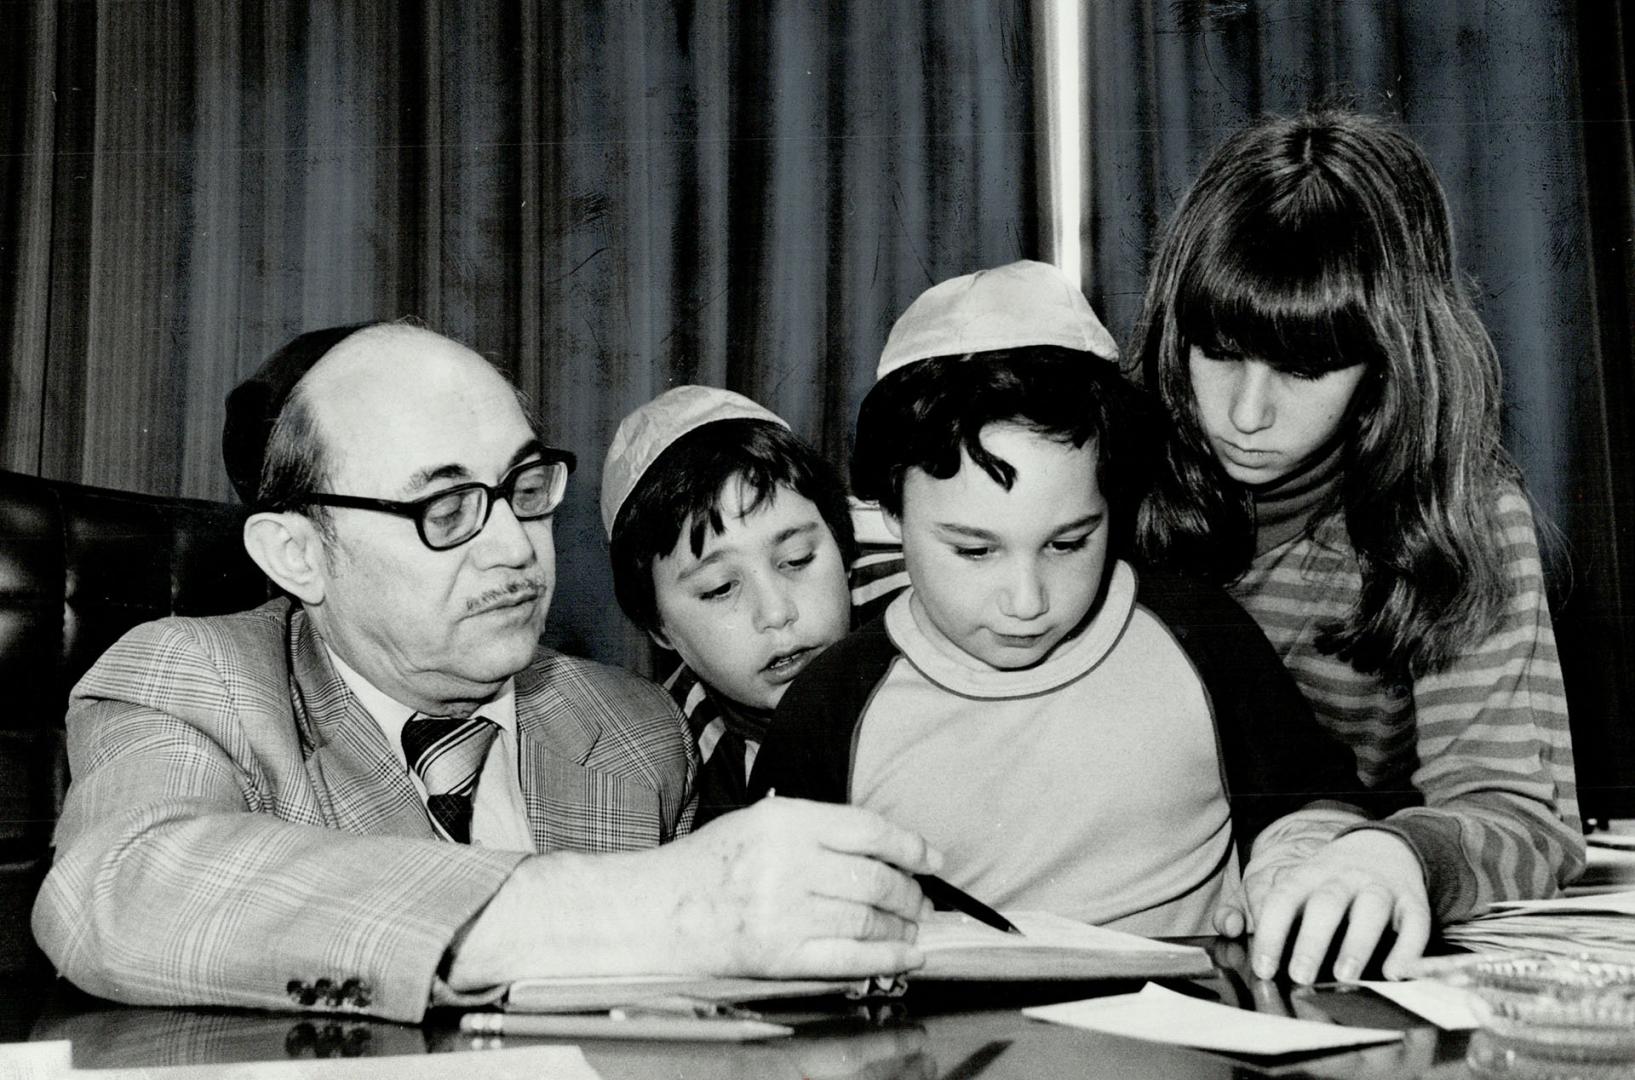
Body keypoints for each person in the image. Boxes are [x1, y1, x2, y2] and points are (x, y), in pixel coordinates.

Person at [32, 322, 942, 1023]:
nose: (515, 547)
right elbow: (117, 890)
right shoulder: (191, 677)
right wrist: (633, 912)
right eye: (446, 506)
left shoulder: (638, 730)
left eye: (523, 487)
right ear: (298, 555)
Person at [750, 261, 1407, 948]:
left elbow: (1315, 801)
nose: (1027, 601)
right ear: (890, 513)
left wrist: (1297, 853)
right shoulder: (830, 703)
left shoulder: (1195, 628)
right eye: (974, 551)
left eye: (1068, 543)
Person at [1130, 110, 1584, 983]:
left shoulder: (1465, 517)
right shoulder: (1107, 471)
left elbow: (1524, 821)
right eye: (1218, 351)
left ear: (1388, 359)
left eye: (1303, 368)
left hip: (1304, 957)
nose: (1246, 414)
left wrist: (1396, 857)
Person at [601, 385, 857, 823]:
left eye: (796, 560)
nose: (776, 613)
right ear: (659, 627)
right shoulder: (680, 778)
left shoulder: (923, 609)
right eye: (720, 588)